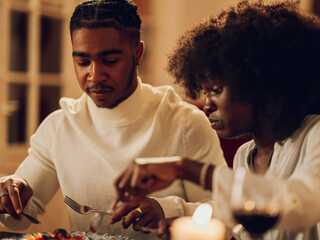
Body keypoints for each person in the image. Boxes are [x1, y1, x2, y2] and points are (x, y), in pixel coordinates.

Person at [113, 1, 320, 240]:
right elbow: (237, 223)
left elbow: (300, 204)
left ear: (259, 85)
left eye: (216, 91)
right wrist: (169, 213)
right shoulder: (246, 155)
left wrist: (184, 168)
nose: (207, 105)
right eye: (204, 92)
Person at [0, 0, 226, 239]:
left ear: (137, 54)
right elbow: (18, 217)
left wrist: (170, 209)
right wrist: (8, 192)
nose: (95, 75)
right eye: (83, 62)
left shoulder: (184, 123)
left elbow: (226, 214)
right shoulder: (60, 126)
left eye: (109, 61)